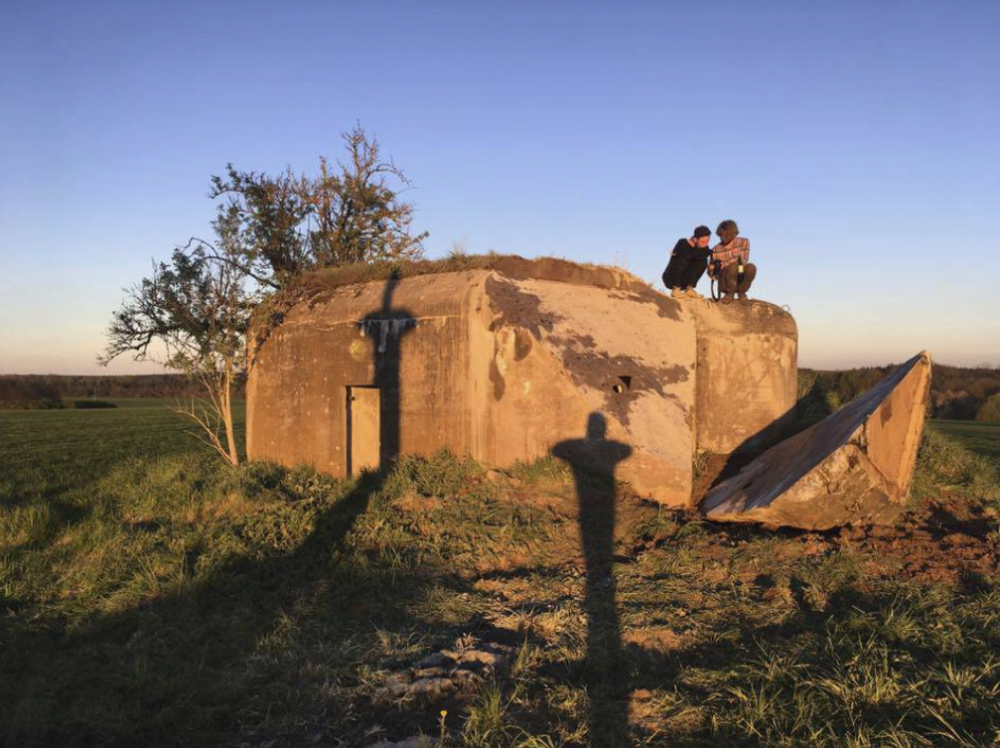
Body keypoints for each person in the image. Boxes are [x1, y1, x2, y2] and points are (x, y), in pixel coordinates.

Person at [708, 219, 756, 304]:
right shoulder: (715, 249)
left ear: (734, 233)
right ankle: (729, 294)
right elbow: (712, 274)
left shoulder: (743, 242)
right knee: (733, 266)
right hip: (724, 281)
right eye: (721, 235)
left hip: (740, 275)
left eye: (727, 234)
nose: (723, 237)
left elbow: (743, 259)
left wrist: (725, 263)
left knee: (751, 267)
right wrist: (711, 270)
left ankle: (742, 293)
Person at [662, 225, 712, 300]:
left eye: (707, 241)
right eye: (703, 242)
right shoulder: (682, 242)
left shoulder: (704, 248)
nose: (705, 244)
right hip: (670, 279)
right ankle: (676, 290)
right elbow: (684, 257)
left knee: (704, 261)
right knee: (682, 258)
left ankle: (689, 289)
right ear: (695, 239)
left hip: (685, 280)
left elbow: (707, 254)